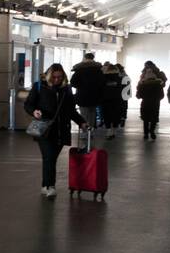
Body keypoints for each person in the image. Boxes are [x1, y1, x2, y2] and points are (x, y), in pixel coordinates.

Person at [23, 63, 86, 198]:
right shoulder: (39, 86)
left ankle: (45, 185)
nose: (56, 80)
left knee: (51, 159)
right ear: (48, 76)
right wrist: (34, 112)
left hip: (61, 130)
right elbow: (28, 104)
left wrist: (81, 122)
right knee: (49, 157)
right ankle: (49, 186)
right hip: (44, 129)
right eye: (54, 77)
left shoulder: (66, 89)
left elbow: (70, 110)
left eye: (59, 77)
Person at [70, 52, 105, 132]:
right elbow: (102, 82)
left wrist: (81, 86)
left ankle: (84, 132)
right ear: (93, 58)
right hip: (95, 95)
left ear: (85, 58)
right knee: (92, 114)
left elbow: (73, 82)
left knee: (84, 115)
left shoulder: (79, 69)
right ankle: (91, 132)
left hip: (83, 95)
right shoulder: (98, 69)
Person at [136, 64, 165, 141]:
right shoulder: (158, 84)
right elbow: (162, 95)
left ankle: (145, 134)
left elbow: (138, 96)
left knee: (145, 119)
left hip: (145, 103)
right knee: (154, 118)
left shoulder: (142, 84)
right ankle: (152, 132)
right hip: (155, 103)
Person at [100, 63, 124, 138]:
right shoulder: (120, 78)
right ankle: (113, 130)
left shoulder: (103, 77)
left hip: (105, 99)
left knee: (107, 115)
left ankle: (108, 130)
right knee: (116, 115)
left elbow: (100, 88)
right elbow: (122, 89)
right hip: (117, 99)